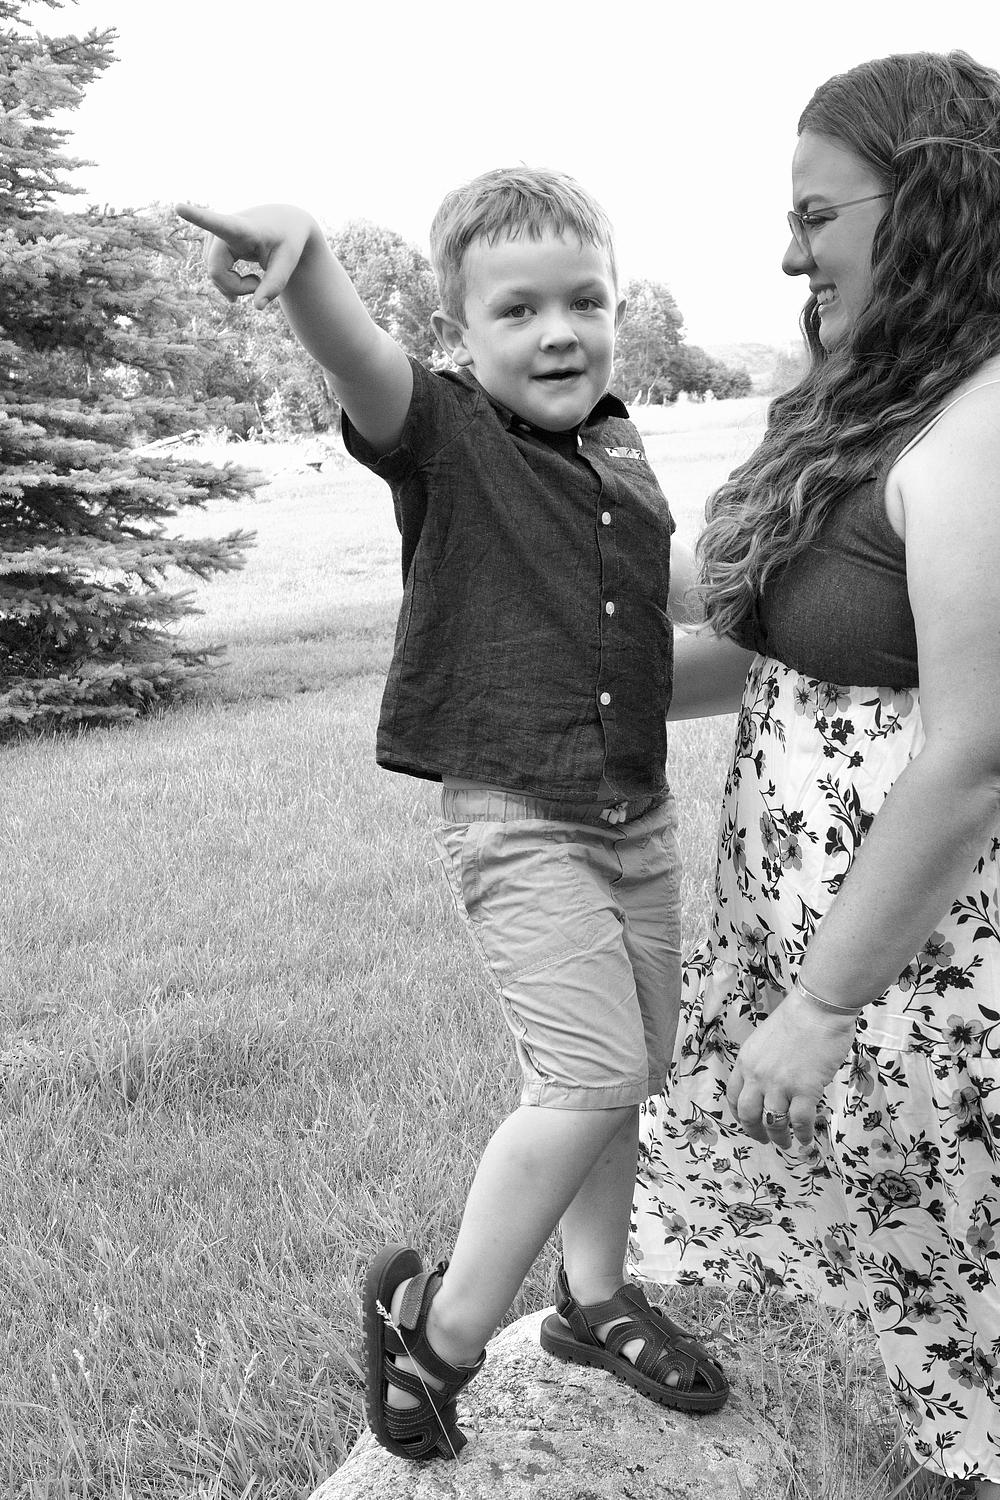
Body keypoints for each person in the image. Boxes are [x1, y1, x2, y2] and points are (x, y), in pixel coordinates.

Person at [177, 167, 728, 1463]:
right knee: (589, 1074)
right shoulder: (449, 432)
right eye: (518, 310)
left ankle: (595, 1298)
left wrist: (824, 599)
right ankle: (437, 1340)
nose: (559, 332)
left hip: (635, 815)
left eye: (585, 301)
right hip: (520, 819)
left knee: (626, 1072)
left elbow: (673, 594)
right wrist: (308, 256)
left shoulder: (616, 447)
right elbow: (362, 364)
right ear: (459, 334)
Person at [632, 49, 1000, 1494]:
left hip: (932, 960)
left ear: (932, 207)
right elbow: (781, 650)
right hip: (834, 936)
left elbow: (974, 751)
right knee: (930, 1276)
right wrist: (547, 687)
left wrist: (825, 1003)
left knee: (974, 1268)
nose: (790, 254)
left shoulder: (985, 424)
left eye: (816, 215)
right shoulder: (873, 390)